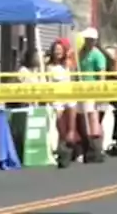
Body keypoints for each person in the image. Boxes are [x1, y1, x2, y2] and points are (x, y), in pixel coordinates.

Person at [45, 39, 78, 168]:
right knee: (61, 128)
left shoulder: (68, 64)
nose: (57, 52)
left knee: (71, 129)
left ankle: (72, 148)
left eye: (59, 50)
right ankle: (63, 151)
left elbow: (74, 72)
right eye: (55, 50)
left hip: (69, 96)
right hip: (57, 98)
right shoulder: (49, 66)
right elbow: (47, 81)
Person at [78, 28, 108, 163]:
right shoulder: (81, 53)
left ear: (95, 41)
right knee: (84, 118)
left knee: (93, 117)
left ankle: (96, 149)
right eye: (86, 39)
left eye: (90, 40)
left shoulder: (97, 55)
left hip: (93, 90)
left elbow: (101, 74)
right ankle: (88, 147)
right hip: (81, 89)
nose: (88, 42)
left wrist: (100, 92)